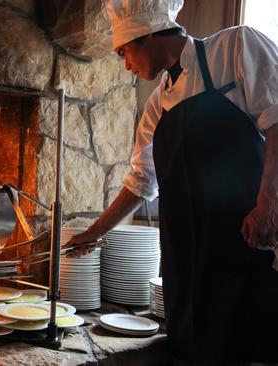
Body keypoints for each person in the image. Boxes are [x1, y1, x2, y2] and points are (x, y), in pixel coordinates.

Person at [66, 0, 278, 363]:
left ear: (144, 36)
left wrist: (267, 204)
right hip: (188, 262)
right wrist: (94, 232)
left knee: (249, 346)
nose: (126, 65)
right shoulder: (156, 106)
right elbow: (141, 182)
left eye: (124, 52)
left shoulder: (235, 48)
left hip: (243, 243)